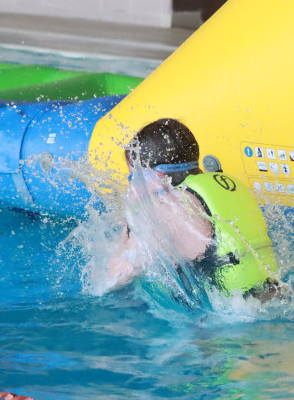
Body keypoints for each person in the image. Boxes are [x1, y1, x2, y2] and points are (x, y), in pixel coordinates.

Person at [106, 118, 284, 301]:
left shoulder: (166, 207)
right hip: (276, 296)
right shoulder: (224, 184)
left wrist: (130, 225)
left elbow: (120, 274)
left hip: (231, 320)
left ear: (157, 176)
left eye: (135, 176)